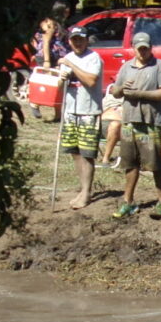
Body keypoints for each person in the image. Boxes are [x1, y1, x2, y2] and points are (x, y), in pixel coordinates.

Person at [110, 32, 161, 220]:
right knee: (130, 163)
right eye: (140, 49)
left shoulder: (159, 66)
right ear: (133, 48)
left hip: (151, 121)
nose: (143, 52)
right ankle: (128, 202)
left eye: (146, 48)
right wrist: (122, 90)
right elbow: (115, 91)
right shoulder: (126, 67)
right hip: (130, 120)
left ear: (150, 47)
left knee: (155, 163)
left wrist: (140, 93)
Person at [56, 26, 103, 210]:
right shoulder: (67, 58)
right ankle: (83, 189)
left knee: (87, 153)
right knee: (75, 152)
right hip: (70, 111)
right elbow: (60, 88)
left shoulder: (93, 58)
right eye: (74, 39)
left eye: (80, 39)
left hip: (88, 111)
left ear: (86, 40)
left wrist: (72, 67)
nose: (77, 42)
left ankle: (87, 192)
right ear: (69, 41)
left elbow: (91, 81)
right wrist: (62, 77)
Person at [30, 3, 72, 120]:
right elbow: (46, 42)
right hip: (49, 57)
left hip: (58, 57)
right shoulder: (50, 24)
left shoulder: (60, 24)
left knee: (58, 84)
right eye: (65, 11)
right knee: (49, 83)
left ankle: (58, 113)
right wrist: (47, 61)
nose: (68, 12)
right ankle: (35, 103)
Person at [99, 88, 123, 167]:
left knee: (114, 125)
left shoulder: (133, 99)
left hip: (120, 128)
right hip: (102, 123)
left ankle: (105, 158)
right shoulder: (108, 97)